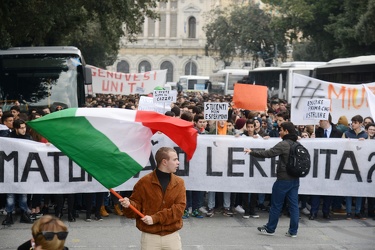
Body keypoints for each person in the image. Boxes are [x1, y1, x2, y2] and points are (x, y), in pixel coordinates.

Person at [120, 147, 186, 250]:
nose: (178, 162)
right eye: (175, 159)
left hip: (172, 237)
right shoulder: (144, 182)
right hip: (150, 238)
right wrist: (129, 205)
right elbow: (134, 210)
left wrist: (155, 218)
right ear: (164, 162)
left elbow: (179, 210)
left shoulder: (179, 183)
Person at [244, 121, 300, 237]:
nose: (279, 132)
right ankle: (293, 231)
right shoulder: (297, 144)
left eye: (281, 130)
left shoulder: (284, 144)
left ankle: (270, 229)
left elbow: (268, 153)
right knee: (294, 206)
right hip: (295, 179)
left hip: (283, 179)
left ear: (286, 131)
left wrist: (252, 152)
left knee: (276, 205)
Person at [309, 114, 343, 220]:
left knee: (329, 190)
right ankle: (313, 212)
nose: (318, 123)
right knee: (316, 190)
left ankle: (326, 211)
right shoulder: (317, 132)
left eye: (320, 120)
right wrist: (311, 140)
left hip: (332, 166)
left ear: (326, 120)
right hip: (318, 165)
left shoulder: (338, 133)